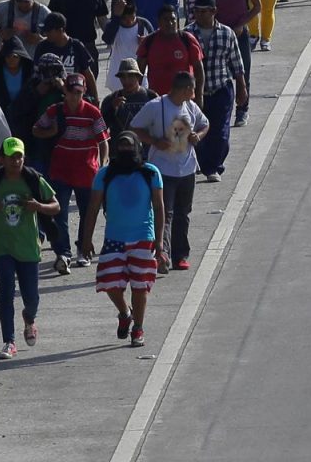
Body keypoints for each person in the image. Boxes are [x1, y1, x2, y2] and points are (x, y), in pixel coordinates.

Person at [0, 137, 60, 360]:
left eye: (19, 156)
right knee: (6, 293)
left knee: (32, 298)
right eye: (11, 157)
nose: (15, 161)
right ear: (2, 159)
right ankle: (9, 342)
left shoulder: (32, 179)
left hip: (28, 246)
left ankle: (29, 319)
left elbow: (55, 206)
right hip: (2, 246)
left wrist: (38, 206)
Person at [79, 132, 164, 348]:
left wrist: (160, 241)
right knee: (109, 283)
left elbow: (159, 207)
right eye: (122, 147)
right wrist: (86, 240)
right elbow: (93, 208)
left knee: (140, 285)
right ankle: (125, 313)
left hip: (143, 237)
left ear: (136, 148)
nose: (126, 151)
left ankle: (138, 328)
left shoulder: (150, 172)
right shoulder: (105, 174)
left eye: (129, 147)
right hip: (114, 239)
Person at [128, 71, 210, 270]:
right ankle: (161, 254)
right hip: (163, 169)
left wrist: (197, 136)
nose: (194, 92)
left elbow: (205, 124)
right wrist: (155, 141)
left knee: (183, 213)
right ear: (185, 89)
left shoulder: (190, 107)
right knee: (164, 213)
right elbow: (134, 127)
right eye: (192, 88)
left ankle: (180, 255)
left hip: (187, 169)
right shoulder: (156, 106)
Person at [42, 73, 110, 274]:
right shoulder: (55, 111)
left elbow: (103, 141)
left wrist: (103, 164)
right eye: (71, 92)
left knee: (87, 211)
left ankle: (84, 248)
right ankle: (63, 253)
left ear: (84, 92)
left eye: (79, 93)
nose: (74, 97)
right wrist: (52, 131)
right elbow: (37, 129)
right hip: (61, 169)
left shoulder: (92, 112)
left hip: (86, 171)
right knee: (59, 212)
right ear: (65, 91)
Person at [185, 0, 248, 182]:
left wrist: (242, 87)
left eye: (204, 12)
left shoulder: (226, 33)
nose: (200, 15)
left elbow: (236, 63)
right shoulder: (187, 34)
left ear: (213, 12)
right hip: (195, 93)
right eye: (197, 11)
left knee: (220, 133)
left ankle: (214, 167)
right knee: (198, 131)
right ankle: (204, 164)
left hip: (221, 88)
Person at [203, 0, 260, 126]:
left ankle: (242, 110)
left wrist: (241, 24)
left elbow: (257, 7)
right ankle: (221, 111)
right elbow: (203, 8)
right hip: (218, 37)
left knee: (243, 73)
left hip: (240, 35)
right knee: (219, 75)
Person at [47, 0, 107, 64]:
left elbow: (102, 19)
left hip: (89, 47)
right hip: (65, 48)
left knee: (90, 79)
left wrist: (112, 37)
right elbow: (50, 22)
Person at [136, 3, 205, 95]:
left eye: (173, 19)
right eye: (166, 20)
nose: (170, 23)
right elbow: (139, 72)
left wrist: (199, 96)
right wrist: (137, 96)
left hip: (184, 98)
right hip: (158, 100)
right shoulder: (149, 41)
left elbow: (199, 70)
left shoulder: (187, 39)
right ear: (159, 22)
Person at [33, 12, 97, 97]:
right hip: (48, 96)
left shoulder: (76, 46)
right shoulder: (42, 46)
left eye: (49, 31)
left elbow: (88, 73)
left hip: (73, 96)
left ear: (61, 30)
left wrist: (95, 98)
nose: (46, 34)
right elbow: (35, 75)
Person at [101, 0, 154, 91]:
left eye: (132, 18)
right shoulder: (114, 25)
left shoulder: (144, 24)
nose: (129, 21)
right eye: (125, 19)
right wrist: (116, 17)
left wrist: (146, 43)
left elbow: (155, 48)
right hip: (118, 79)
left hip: (141, 78)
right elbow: (107, 39)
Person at [100, 57, 158, 141]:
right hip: (120, 150)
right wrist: (112, 108)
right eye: (123, 77)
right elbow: (101, 129)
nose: (126, 81)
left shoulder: (151, 97)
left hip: (146, 149)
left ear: (138, 77)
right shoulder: (111, 99)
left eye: (130, 76)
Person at [0, 38, 34, 130]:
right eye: (8, 56)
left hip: (22, 121)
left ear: (21, 57)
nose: (11, 59)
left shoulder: (29, 74)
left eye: (15, 56)